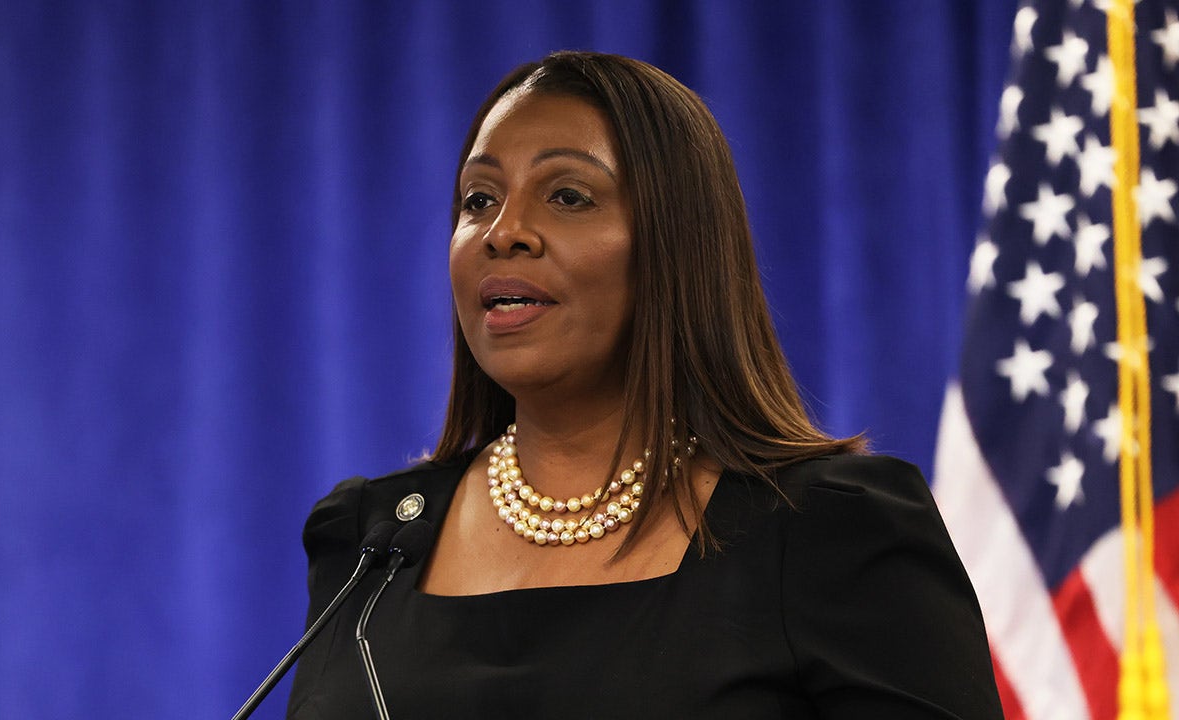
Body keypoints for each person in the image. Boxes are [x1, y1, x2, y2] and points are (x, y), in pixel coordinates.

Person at [285, 51, 1003, 719]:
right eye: (478, 200)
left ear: (677, 245)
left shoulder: (832, 531)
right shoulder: (368, 543)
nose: (504, 232)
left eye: (567, 195)